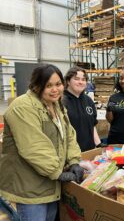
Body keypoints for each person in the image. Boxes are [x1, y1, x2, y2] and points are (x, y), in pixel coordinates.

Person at [0, 64, 83, 221]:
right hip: (29, 188)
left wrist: (74, 161)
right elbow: (34, 146)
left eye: (58, 84)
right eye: (48, 85)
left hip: (50, 185)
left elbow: (69, 135)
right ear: (36, 86)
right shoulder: (22, 107)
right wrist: (57, 172)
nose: (55, 90)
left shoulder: (56, 105)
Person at [63, 66, 101, 152]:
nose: (80, 82)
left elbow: (92, 125)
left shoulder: (88, 101)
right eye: (76, 79)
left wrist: (98, 144)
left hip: (89, 150)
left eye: (83, 79)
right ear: (68, 81)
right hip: (70, 152)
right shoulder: (62, 101)